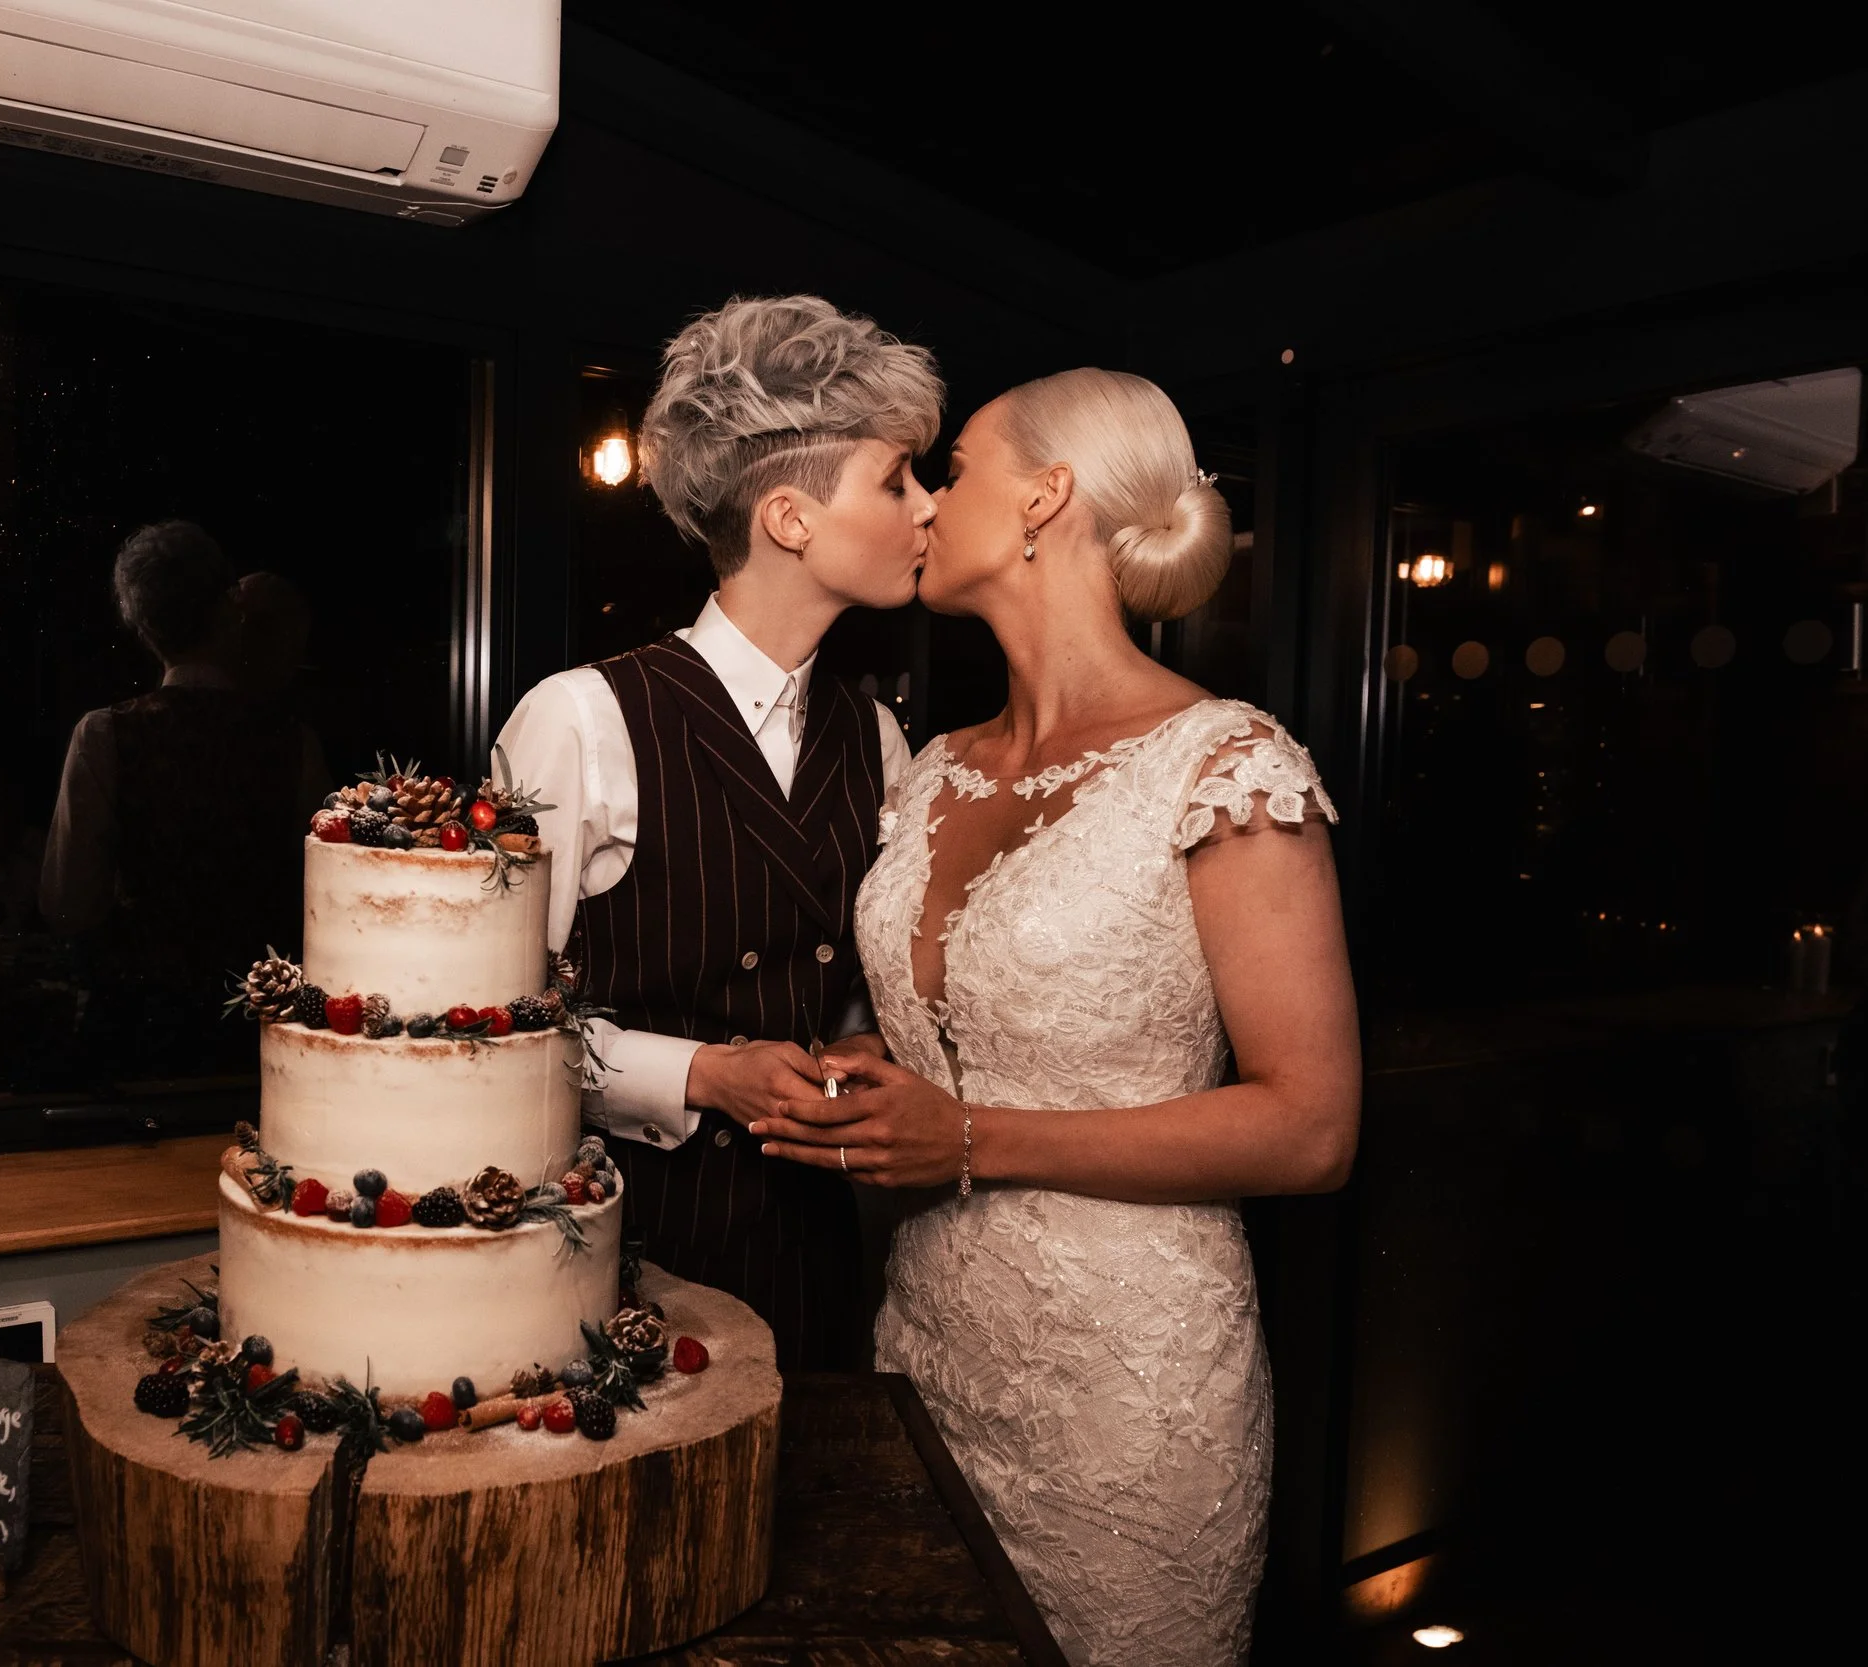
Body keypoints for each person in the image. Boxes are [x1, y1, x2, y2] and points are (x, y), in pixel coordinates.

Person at [751, 369, 1361, 1663]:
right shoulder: (934, 765)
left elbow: (1311, 1128)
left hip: (1130, 1394)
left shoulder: (1227, 765)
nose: (924, 504)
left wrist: (969, 1133)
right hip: (922, 1349)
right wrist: (881, 1066)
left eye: (953, 468)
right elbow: (963, 1029)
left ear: (1044, 496)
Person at [494, 295, 939, 1369]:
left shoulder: (873, 733)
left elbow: (842, 979)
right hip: (624, 1252)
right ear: (789, 518)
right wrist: (701, 1072)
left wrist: (861, 1041)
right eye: (896, 480)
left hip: (812, 1246)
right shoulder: (580, 717)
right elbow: (491, 1037)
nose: (929, 508)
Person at [41, 522, 326, 1075]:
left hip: (138, 1023)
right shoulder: (295, 744)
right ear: (228, 610)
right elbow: (314, 894)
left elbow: (68, 905)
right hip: (260, 1022)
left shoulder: (103, 736)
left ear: (141, 626)